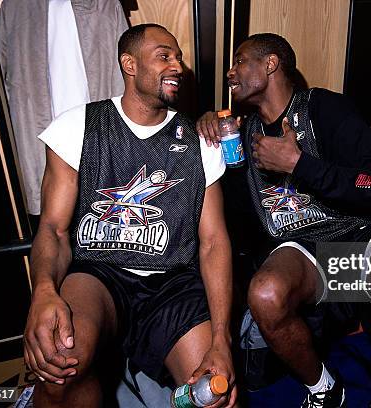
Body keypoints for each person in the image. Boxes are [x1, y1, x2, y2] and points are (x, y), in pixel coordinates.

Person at [197, 33, 371, 408]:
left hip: (360, 235)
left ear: (270, 64)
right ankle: (323, 390)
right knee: (265, 294)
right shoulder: (240, 134)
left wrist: (301, 165)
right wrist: (205, 128)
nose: (230, 72)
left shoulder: (322, 109)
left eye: (239, 60)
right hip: (301, 252)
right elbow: (233, 219)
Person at [24, 24, 236, 407]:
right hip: (99, 275)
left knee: (218, 394)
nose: (178, 66)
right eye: (164, 56)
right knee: (61, 367)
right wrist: (43, 291)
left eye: (179, 57)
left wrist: (222, 339)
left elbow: (213, 243)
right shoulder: (77, 127)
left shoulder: (200, 142)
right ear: (129, 64)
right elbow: (53, 230)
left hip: (172, 284)